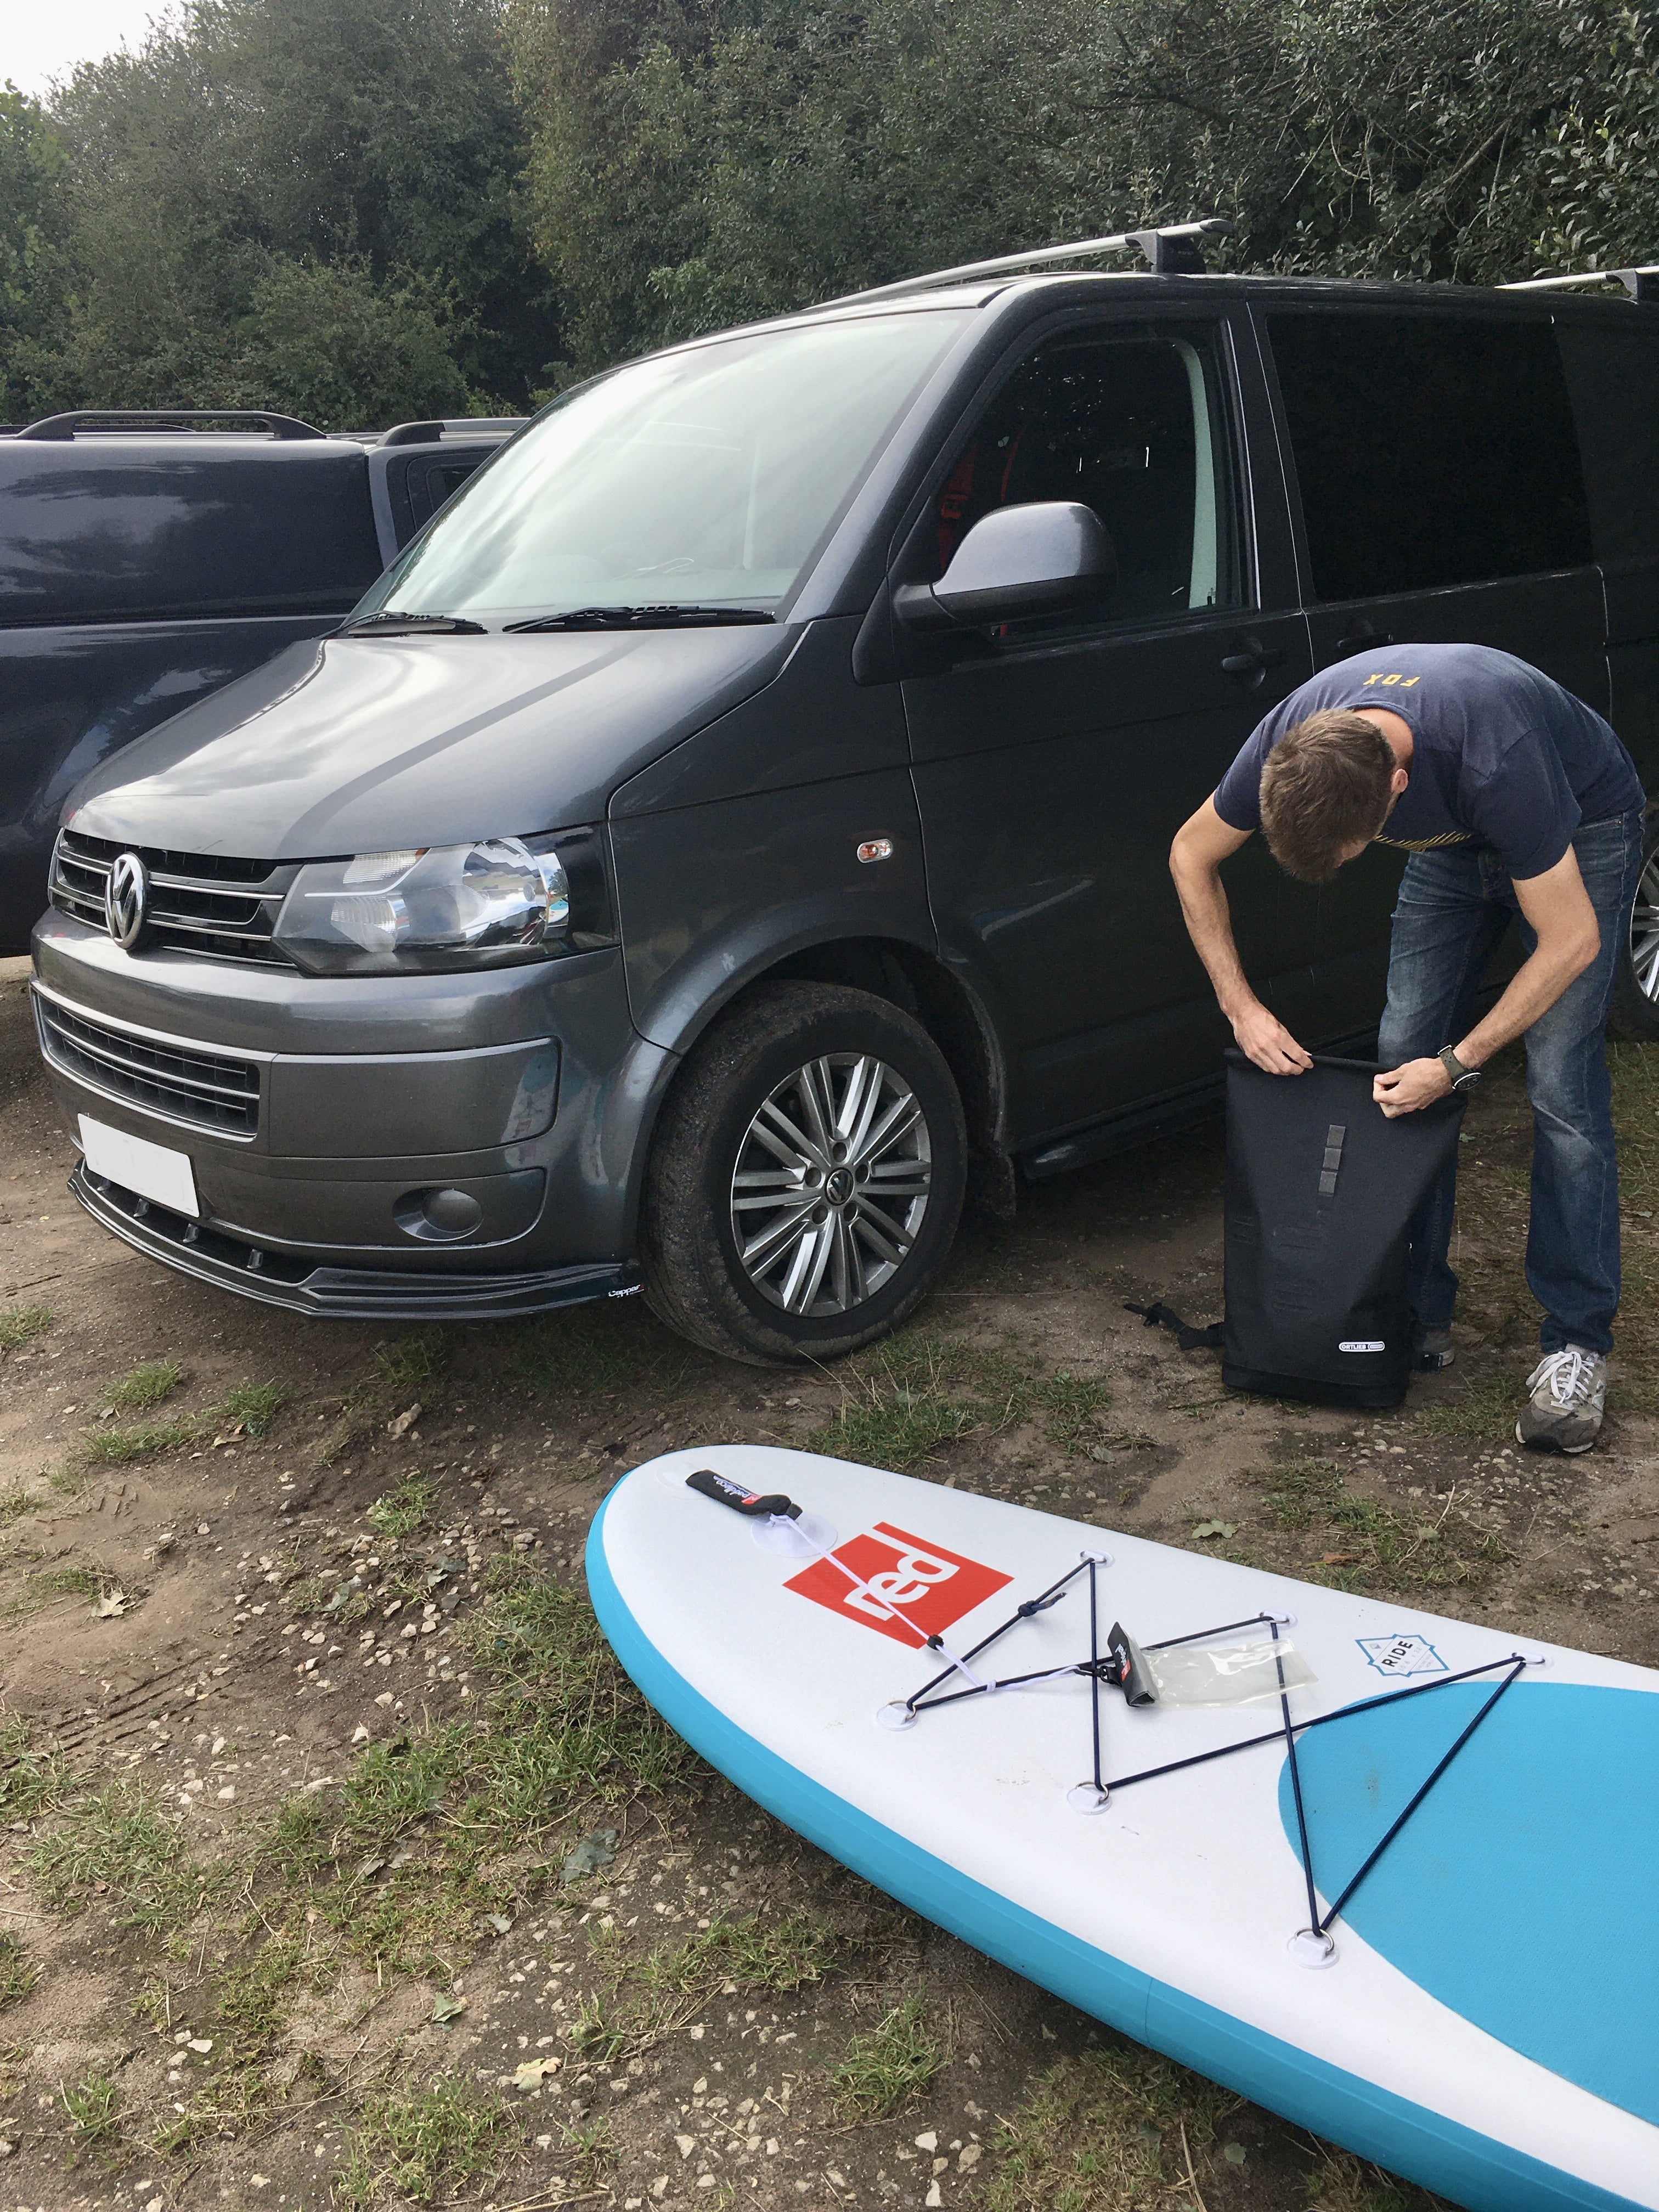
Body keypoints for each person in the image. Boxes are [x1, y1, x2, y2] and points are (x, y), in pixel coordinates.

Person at [1169, 642, 1646, 1453]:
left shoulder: (1499, 757)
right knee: (1399, 1052)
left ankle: (1577, 1343)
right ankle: (1414, 1310)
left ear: (1396, 785)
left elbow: (1571, 942)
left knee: (1561, 1087)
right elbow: (1190, 852)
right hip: (1455, 842)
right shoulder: (1291, 740)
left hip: (1580, 820)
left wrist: (1459, 1064)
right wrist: (1240, 1007)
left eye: (1358, 852)